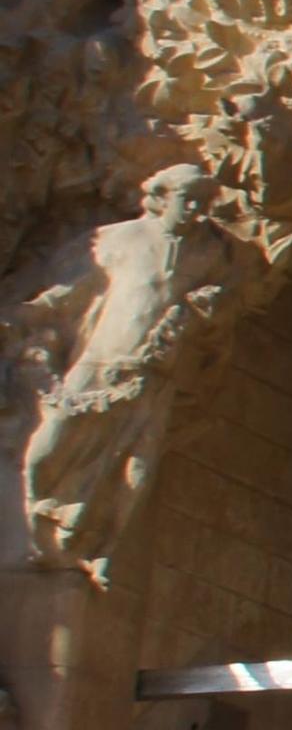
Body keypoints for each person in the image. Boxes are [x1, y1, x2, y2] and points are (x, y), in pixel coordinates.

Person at [19, 165, 234, 583]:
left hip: (153, 375)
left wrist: (203, 311)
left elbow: (217, 305)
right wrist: (28, 313)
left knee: (136, 467)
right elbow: (70, 290)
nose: (195, 209)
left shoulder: (209, 254)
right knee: (53, 435)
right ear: (161, 196)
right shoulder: (119, 238)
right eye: (186, 198)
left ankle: (100, 548)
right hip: (100, 360)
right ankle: (31, 510)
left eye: (202, 202)